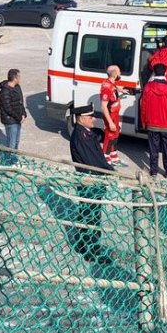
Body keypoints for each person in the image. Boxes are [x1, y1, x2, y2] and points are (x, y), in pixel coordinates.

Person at [67, 104, 112, 263]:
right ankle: (91, 249)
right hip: (90, 181)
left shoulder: (85, 133)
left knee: (86, 213)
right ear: (82, 119)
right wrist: (109, 171)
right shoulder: (81, 136)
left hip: (91, 181)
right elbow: (93, 160)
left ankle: (81, 243)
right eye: (90, 117)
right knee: (91, 216)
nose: (93, 119)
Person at [139, 63, 167, 178]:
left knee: (153, 149)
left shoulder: (148, 87)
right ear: (165, 73)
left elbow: (143, 107)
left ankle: (153, 171)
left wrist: (143, 122)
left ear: (154, 73)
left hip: (152, 124)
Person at [99, 65, 127, 167]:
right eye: (119, 71)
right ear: (115, 74)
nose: (120, 73)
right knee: (109, 136)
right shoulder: (106, 88)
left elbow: (113, 88)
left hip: (115, 114)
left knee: (115, 134)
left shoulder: (111, 83)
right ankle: (105, 158)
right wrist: (110, 122)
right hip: (110, 115)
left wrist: (120, 90)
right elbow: (103, 106)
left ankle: (114, 156)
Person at [0, 68, 26, 166]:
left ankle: (13, 161)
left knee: (16, 141)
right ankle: (7, 164)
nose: (20, 78)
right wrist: (19, 118)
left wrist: (24, 114)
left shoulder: (17, 87)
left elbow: (20, 102)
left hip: (18, 119)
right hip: (10, 121)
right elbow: (8, 109)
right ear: (15, 78)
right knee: (11, 143)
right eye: (19, 76)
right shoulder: (4, 91)